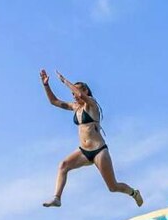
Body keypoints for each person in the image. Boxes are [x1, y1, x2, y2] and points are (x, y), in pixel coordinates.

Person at [40, 69, 143, 208]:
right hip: (83, 151)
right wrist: (46, 85)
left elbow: (80, 94)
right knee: (63, 165)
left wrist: (64, 81)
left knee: (112, 187)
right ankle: (57, 198)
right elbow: (54, 101)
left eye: (76, 92)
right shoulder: (75, 107)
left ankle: (134, 193)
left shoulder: (92, 105)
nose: (74, 96)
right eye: (72, 94)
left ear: (85, 91)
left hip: (99, 151)